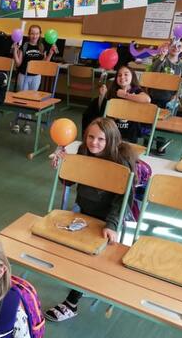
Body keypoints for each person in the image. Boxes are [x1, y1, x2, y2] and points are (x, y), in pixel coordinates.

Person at [45, 118, 138, 322]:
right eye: (90, 137)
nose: (94, 142)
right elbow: (69, 181)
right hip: (84, 210)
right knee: (70, 246)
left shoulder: (119, 162)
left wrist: (112, 225)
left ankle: (72, 302)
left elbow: (123, 200)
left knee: (87, 253)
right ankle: (81, 282)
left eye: (101, 139)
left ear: (111, 140)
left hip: (107, 217)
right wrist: (63, 166)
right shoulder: (83, 152)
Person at [82, 64, 151, 143]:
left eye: (126, 74)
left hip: (130, 130)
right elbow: (103, 110)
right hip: (114, 129)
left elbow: (147, 99)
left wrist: (125, 95)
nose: (122, 77)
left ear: (132, 77)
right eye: (119, 75)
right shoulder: (113, 91)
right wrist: (102, 96)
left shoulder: (136, 90)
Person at [11, 25, 56, 134]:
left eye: (36, 33)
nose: (34, 36)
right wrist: (15, 51)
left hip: (36, 77)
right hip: (23, 76)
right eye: (32, 33)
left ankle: (27, 123)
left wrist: (50, 53)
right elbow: (18, 63)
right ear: (29, 34)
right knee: (21, 100)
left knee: (31, 101)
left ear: (40, 34)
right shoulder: (25, 46)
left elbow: (44, 64)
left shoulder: (42, 46)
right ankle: (17, 122)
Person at [149, 39, 182, 154]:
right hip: (155, 96)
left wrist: (177, 95)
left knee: (165, 123)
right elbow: (153, 73)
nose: (176, 47)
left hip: (170, 100)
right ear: (168, 46)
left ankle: (161, 147)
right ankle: (148, 143)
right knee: (151, 121)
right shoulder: (160, 59)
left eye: (179, 46)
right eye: (173, 45)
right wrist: (161, 57)